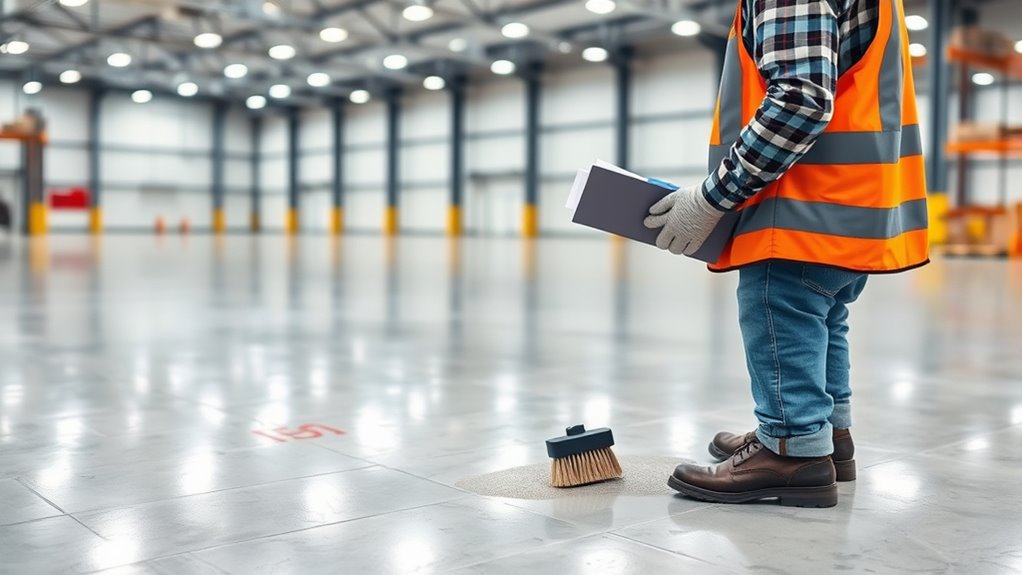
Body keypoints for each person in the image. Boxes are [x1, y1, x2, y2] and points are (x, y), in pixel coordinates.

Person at [643, 0, 928, 508]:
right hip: (852, 204)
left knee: (779, 307)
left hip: (802, 205)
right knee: (821, 317)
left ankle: (792, 450)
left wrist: (713, 197)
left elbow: (800, 99)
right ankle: (828, 438)